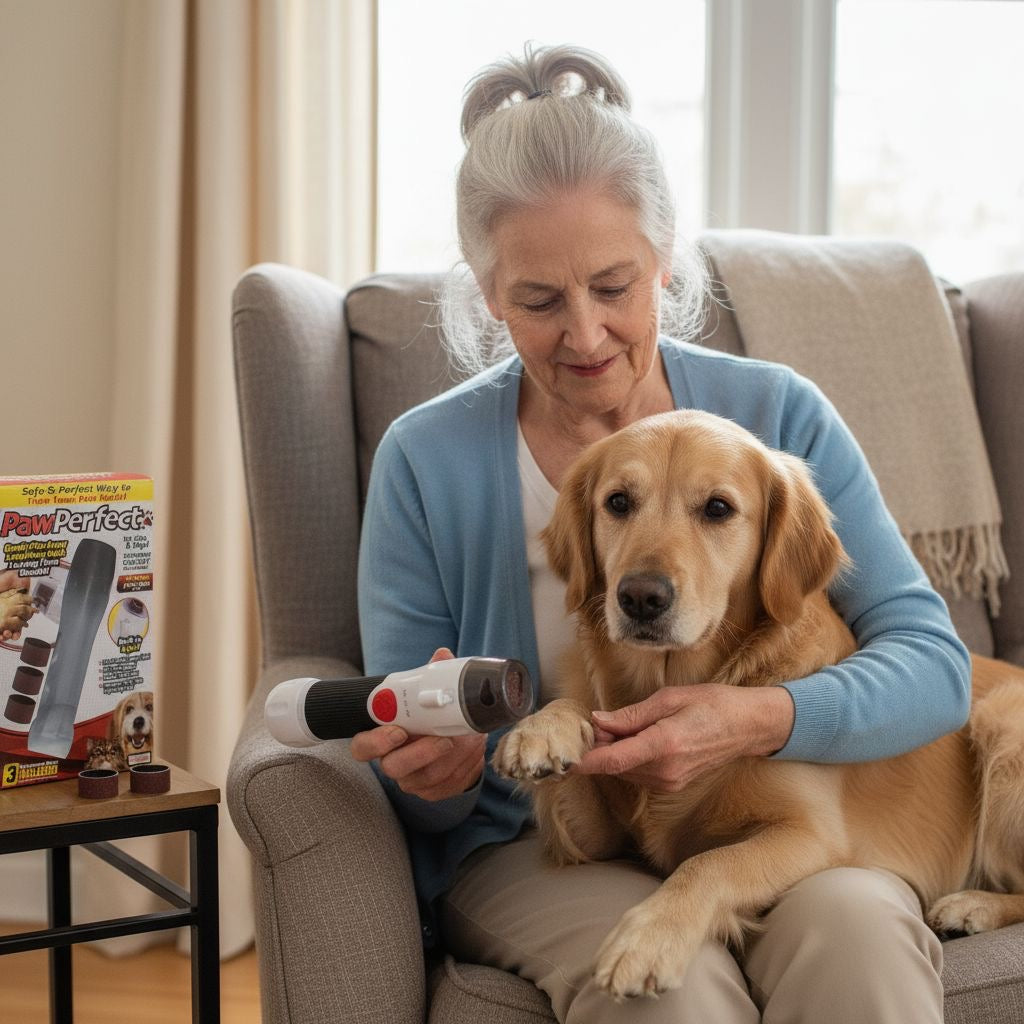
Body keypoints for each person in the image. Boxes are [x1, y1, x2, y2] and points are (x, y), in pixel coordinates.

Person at [353, 44, 969, 1023]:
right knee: (667, 991)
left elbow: (934, 666)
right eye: (539, 301)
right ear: (486, 295)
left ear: (664, 261)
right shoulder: (426, 460)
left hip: (761, 810)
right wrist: (446, 767)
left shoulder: (778, 418)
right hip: (544, 838)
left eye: (614, 284)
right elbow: (416, 766)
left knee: (862, 937)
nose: (587, 335)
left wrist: (762, 719)